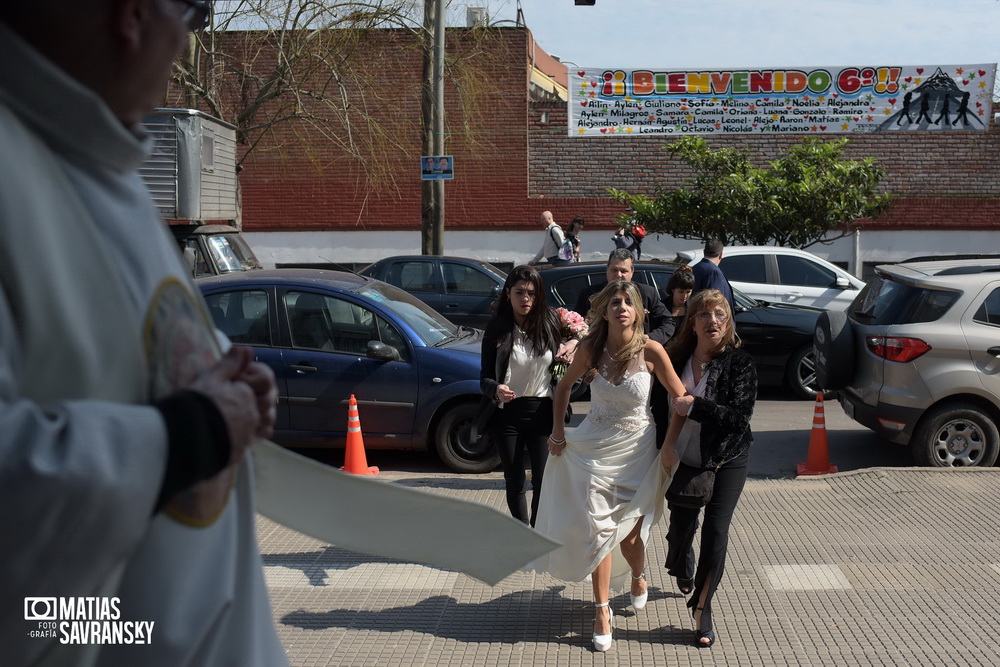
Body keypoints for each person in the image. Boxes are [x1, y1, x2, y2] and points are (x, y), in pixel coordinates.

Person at [0, 2, 287, 665]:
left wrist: (229, 384)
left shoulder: (99, 163)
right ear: (130, 15)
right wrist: (192, 433)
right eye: (190, 14)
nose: (187, 42)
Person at [530, 280, 688, 652]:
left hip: (638, 449)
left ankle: (637, 574)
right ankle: (602, 611)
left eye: (627, 302)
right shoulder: (590, 348)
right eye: (614, 302)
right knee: (596, 528)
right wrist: (557, 433)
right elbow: (562, 388)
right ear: (605, 310)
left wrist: (668, 447)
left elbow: (681, 400)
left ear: (638, 311)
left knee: (631, 538)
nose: (620, 307)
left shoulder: (652, 350)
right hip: (593, 447)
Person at [663, 289, 757, 649]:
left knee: (716, 531)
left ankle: (703, 608)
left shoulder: (739, 363)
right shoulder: (677, 358)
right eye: (705, 314)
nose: (713, 321)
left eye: (720, 314)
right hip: (685, 456)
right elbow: (658, 405)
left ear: (728, 321)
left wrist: (695, 405)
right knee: (681, 530)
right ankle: (680, 563)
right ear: (693, 322)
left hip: (728, 456)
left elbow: (739, 419)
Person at [474, 266, 574, 526]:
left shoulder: (551, 323)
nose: (525, 298)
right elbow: (483, 377)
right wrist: (496, 388)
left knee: (543, 479)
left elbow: (573, 350)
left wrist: (571, 347)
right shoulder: (497, 327)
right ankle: (522, 532)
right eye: (519, 292)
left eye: (531, 293)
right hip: (506, 414)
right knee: (515, 479)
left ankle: (538, 531)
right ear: (508, 294)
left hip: (543, 411)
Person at [573, 248, 673, 442]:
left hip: (639, 365)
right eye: (614, 270)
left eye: (623, 271)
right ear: (607, 270)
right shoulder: (590, 294)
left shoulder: (647, 293)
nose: (618, 275)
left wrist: (647, 340)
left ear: (632, 272)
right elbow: (578, 324)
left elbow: (667, 322)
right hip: (602, 362)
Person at [691, 238, 734, 309]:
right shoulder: (714, 273)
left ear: (704, 252)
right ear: (720, 255)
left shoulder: (695, 268)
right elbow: (716, 302)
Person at [663, 265, 695, 342]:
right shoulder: (662, 306)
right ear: (673, 289)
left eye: (688, 292)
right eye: (681, 292)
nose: (685, 296)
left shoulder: (694, 306)